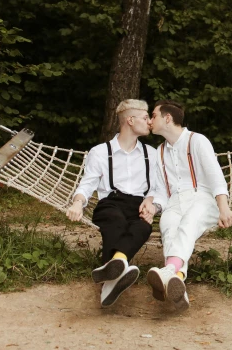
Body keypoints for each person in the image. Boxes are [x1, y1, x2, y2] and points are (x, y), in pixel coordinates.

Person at [143, 99, 232, 311]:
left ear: (168, 118)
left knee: (188, 224)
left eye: (154, 115)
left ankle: (169, 271)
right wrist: (154, 207)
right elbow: (161, 191)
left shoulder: (197, 140)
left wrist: (224, 208)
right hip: (174, 201)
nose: (150, 120)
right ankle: (177, 280)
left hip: (202, 198)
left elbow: (215, 176)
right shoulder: (159, 152)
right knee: (168, 226)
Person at [66, 99, 161, 307]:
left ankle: (114, 268)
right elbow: (87, 184)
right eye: (145, 118)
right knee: (115, 221)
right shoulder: (99, 152)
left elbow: (156, 188)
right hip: (110, 203)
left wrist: (150, 202)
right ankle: (118, 267)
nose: (149, 123)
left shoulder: (152, 155)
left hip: (139, 204)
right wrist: (77, 203)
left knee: (143, 227)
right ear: (130, 120)